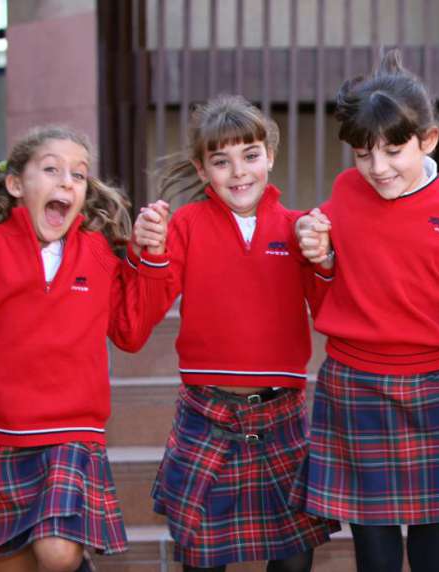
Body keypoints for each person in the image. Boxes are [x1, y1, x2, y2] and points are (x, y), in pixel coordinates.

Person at [291, 50, 439, 572]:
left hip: (434, 386)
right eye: (363, 154)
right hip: (354, 385)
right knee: (375, 553)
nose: (378, 168)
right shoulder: (345, 192)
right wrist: (319, 259)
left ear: (428, 139)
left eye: (393, 151)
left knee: (435, 551)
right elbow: (325, 289)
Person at [0, 125, 171, 571]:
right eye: (51, 169)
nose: (67, 181)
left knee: (58, 553)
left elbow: (131, 331)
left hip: (70, 433)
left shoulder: (97, 251)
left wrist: (152, 259)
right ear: (16, 184)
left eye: (78, 175)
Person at [135, 94, 338, 572]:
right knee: (203, 557)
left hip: (281, 411)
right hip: (207, 411)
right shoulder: (184, 225)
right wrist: (150, 253)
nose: (239, 172)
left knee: (294, 559)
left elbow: (330, 314)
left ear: (270, 156)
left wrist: (325, 261)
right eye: (221, 161)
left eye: (250, 155)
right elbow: (143, 314)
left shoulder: (299, 227)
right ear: (202, 169)